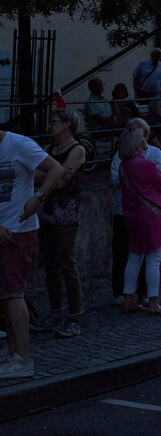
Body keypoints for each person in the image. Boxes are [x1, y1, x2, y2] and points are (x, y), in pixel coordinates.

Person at [0, 128, 63, 382]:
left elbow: (55, 169)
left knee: (13, 293)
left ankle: (22, 357)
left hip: (18, 229)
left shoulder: (19, 143)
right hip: (4, 228)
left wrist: (39, 197)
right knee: (5, 295)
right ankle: (14, 352)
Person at [37, 109, 86, 337]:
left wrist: (48, 176)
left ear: (67, 124)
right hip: (46, 213)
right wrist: (49, 176)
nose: (51, 126)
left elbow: (59, 183)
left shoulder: (77, 150)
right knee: (50, 266)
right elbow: (35, 174)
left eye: (55, 122)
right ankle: (56, 311)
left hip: (66, 215)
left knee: (67, 263)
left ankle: (75, 316)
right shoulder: (50, 149)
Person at [117, 127, 161, 315]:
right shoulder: (145, 164)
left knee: (134, 257)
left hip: (132, 215)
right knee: (154, 259)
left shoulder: (123, 166)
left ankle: (128, 298)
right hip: (151, 215)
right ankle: (154, 302)